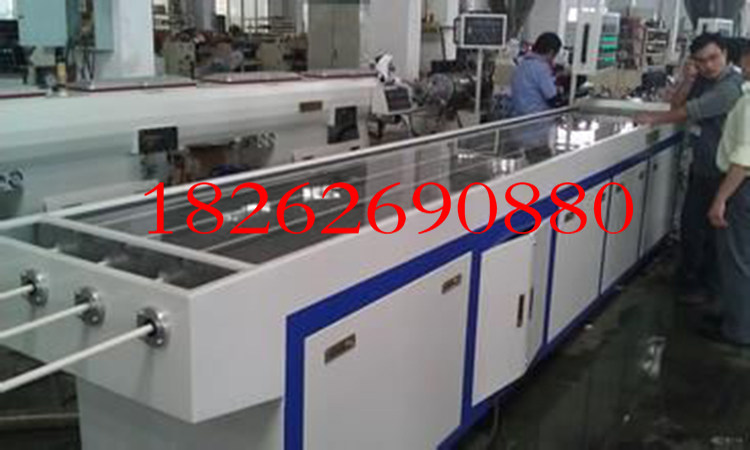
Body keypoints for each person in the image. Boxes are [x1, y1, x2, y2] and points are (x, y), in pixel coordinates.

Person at [635, 33, 744, 305]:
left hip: (720, 174)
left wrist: (653, 118)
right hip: (701, 166)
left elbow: (688, 111)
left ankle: (706, 290)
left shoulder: (731, 87)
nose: (708, 65)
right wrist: (688, 78)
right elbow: (677, 103)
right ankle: (690, 279)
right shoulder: (704, 80)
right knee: (692, 227)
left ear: (725, 54)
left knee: (709, 234)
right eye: (701, 61)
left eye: (713, 58)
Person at [706, 42, 750, 346]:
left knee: (737, 262)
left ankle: (738, 331)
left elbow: (744, 161)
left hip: (742, 188)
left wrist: (721, 199)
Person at [510, 32, 563, 117]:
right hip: (538, 119)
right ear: (551, 52)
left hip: (519, 116)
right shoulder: (541, 68)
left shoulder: (523, 63)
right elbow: (552, 98)